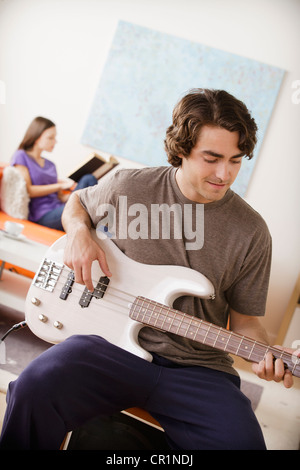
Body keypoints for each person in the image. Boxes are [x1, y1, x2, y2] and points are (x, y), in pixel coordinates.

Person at [1, 89, 299, 450]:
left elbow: (247, 322)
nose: (225, 174)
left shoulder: (252, 232)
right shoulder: (132, 185)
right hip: (109, 349)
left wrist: (267, 355)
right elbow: (78, 202)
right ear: (181, 150)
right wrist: (79, 232)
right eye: (212, 158)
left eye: (236, 160)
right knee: (33, 388)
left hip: (198, 369)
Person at [10, 116, 97, 231]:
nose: (55, 142)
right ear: (36, 137)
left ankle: (96, 218)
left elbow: (60, 197)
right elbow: (29, 191)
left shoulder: (50, 165)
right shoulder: (21, 156)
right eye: (50, 138)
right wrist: (60, 185)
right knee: (79, 211)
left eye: (54, 138)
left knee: (88, 179)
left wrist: (75, 191)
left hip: (60, 207)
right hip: (43, 215)